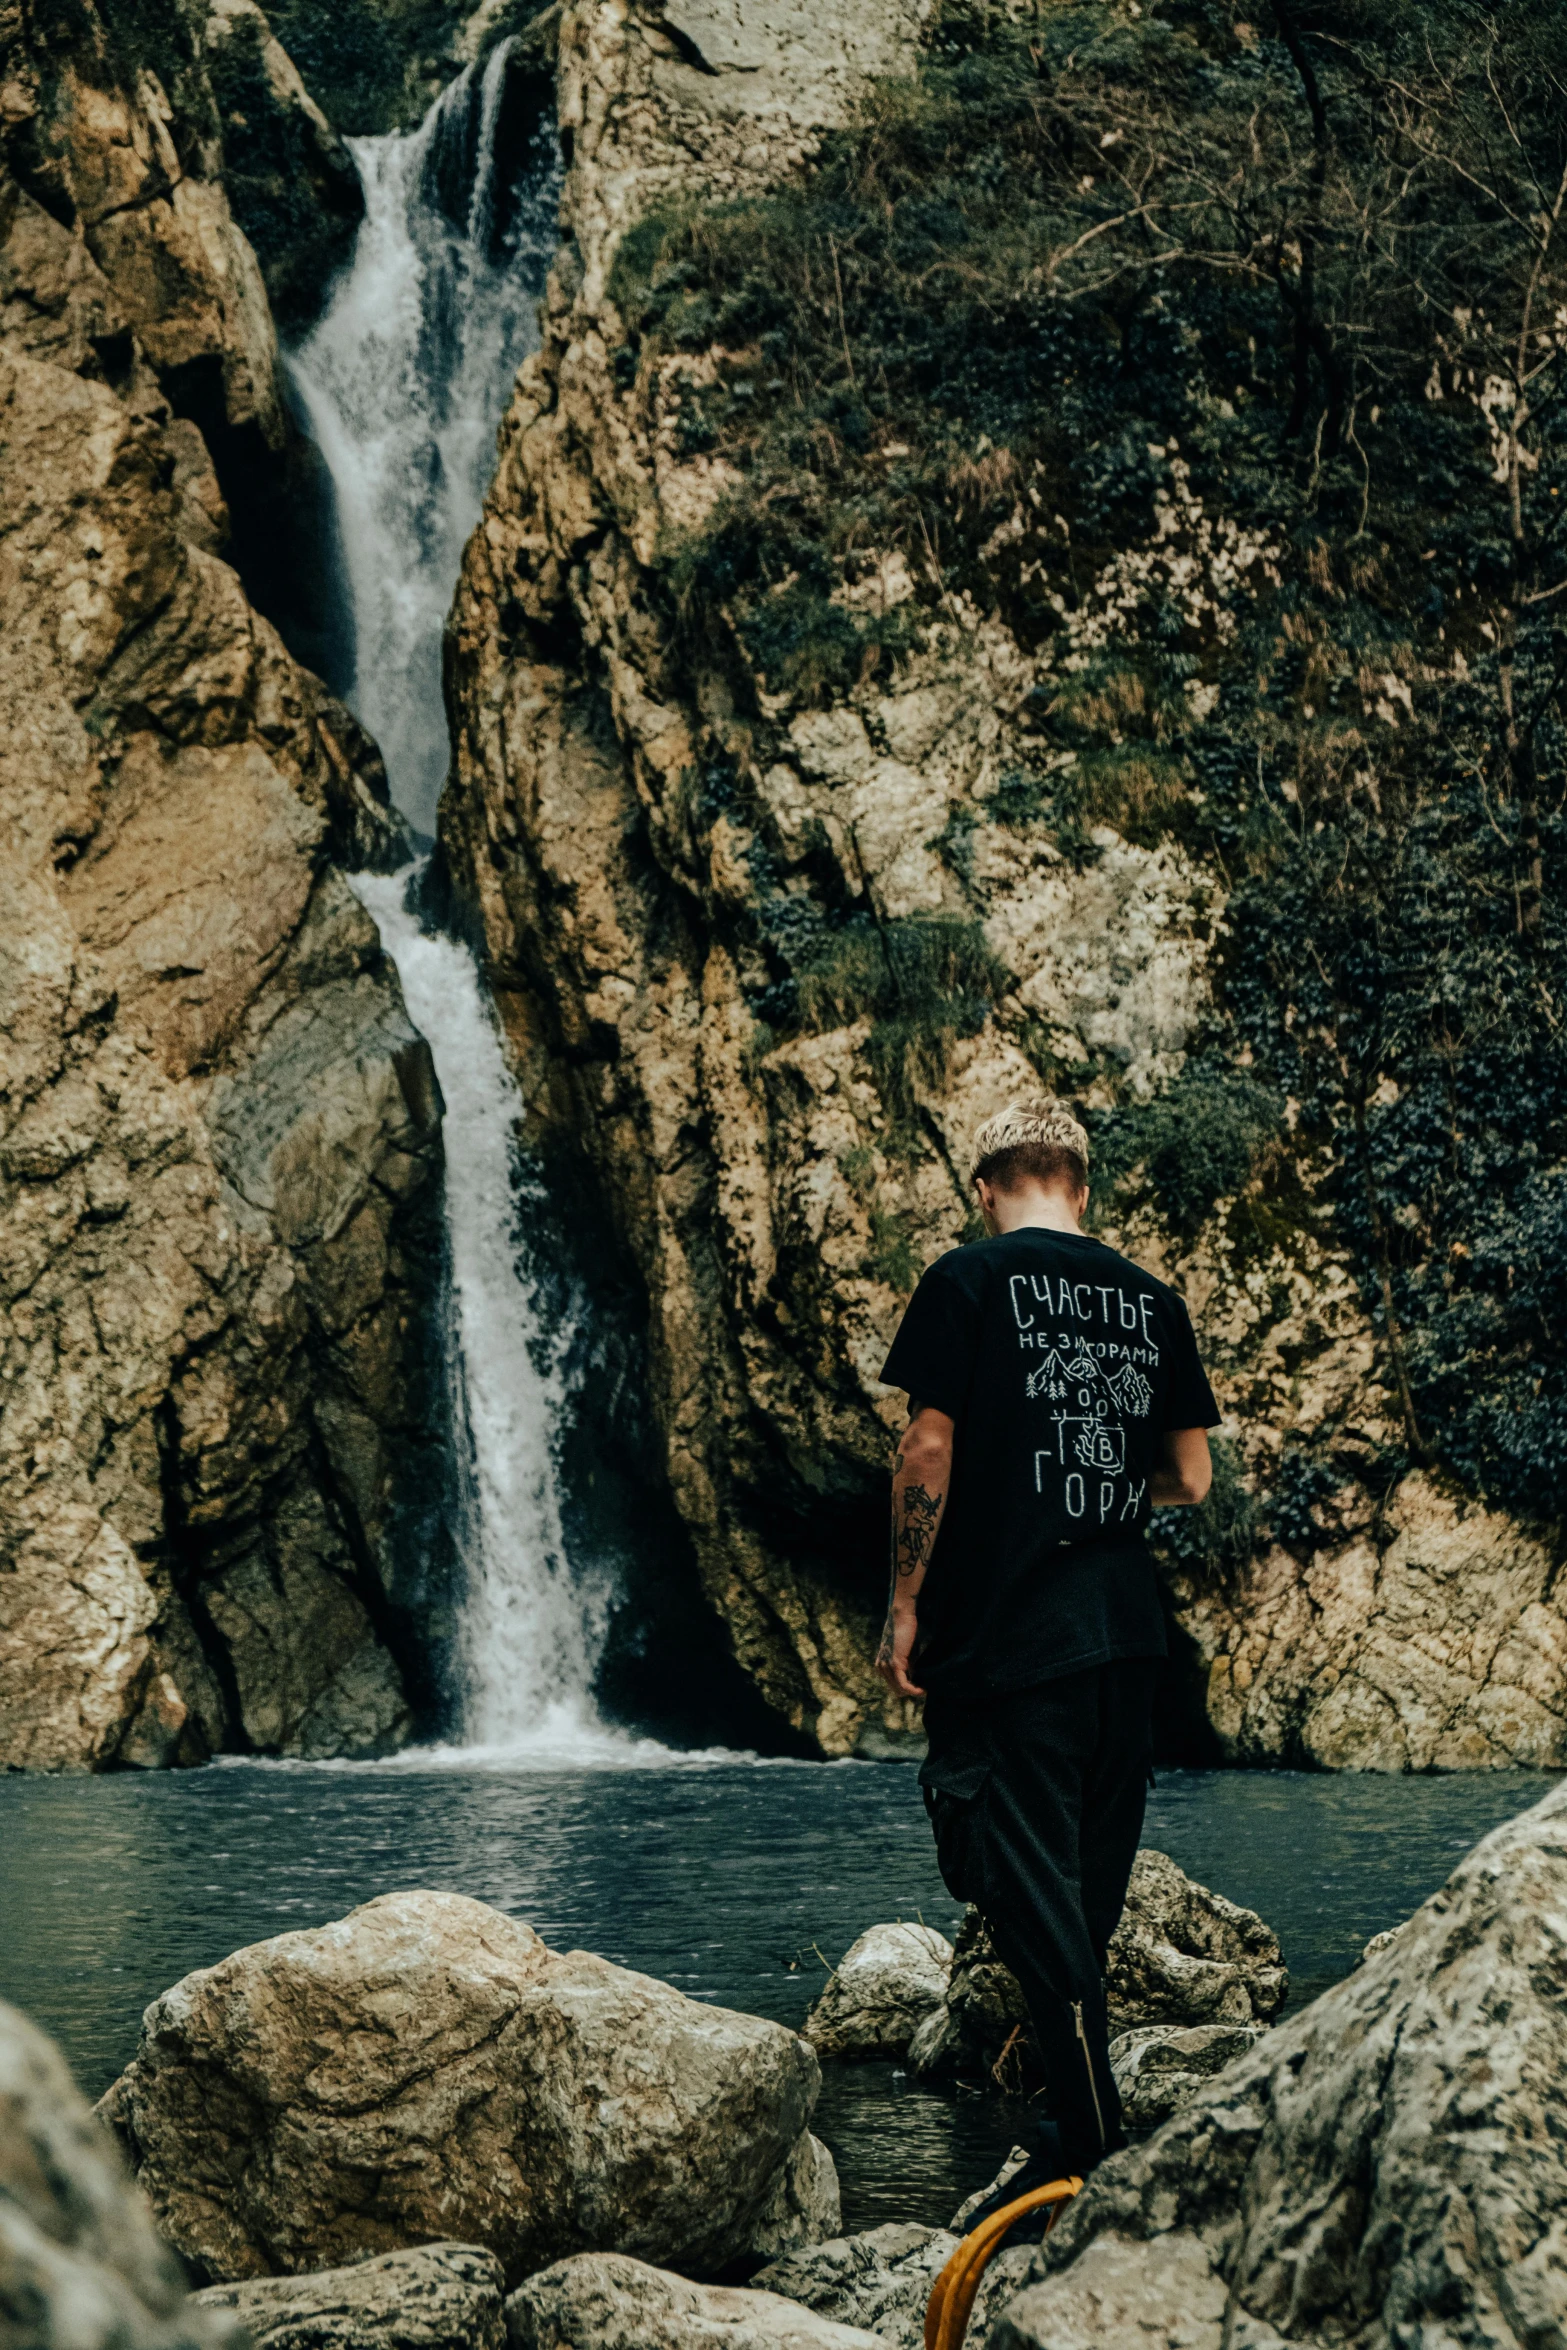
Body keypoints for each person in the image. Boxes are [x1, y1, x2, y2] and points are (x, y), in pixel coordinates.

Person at [875, 1097, 1219, 2213]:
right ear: (1082, 1183)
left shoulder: (969, 1280)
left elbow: (928, 1442)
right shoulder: (1151, 1299)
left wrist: (904, 1603)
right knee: (1083, 1891)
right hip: (1124, 1638)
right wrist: (1095, 1480)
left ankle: (1082, 2139)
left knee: (1014, 1875)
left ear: (985, 1187)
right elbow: (1190, 1477)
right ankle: (1078, 2129)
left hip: (1013, 1634)